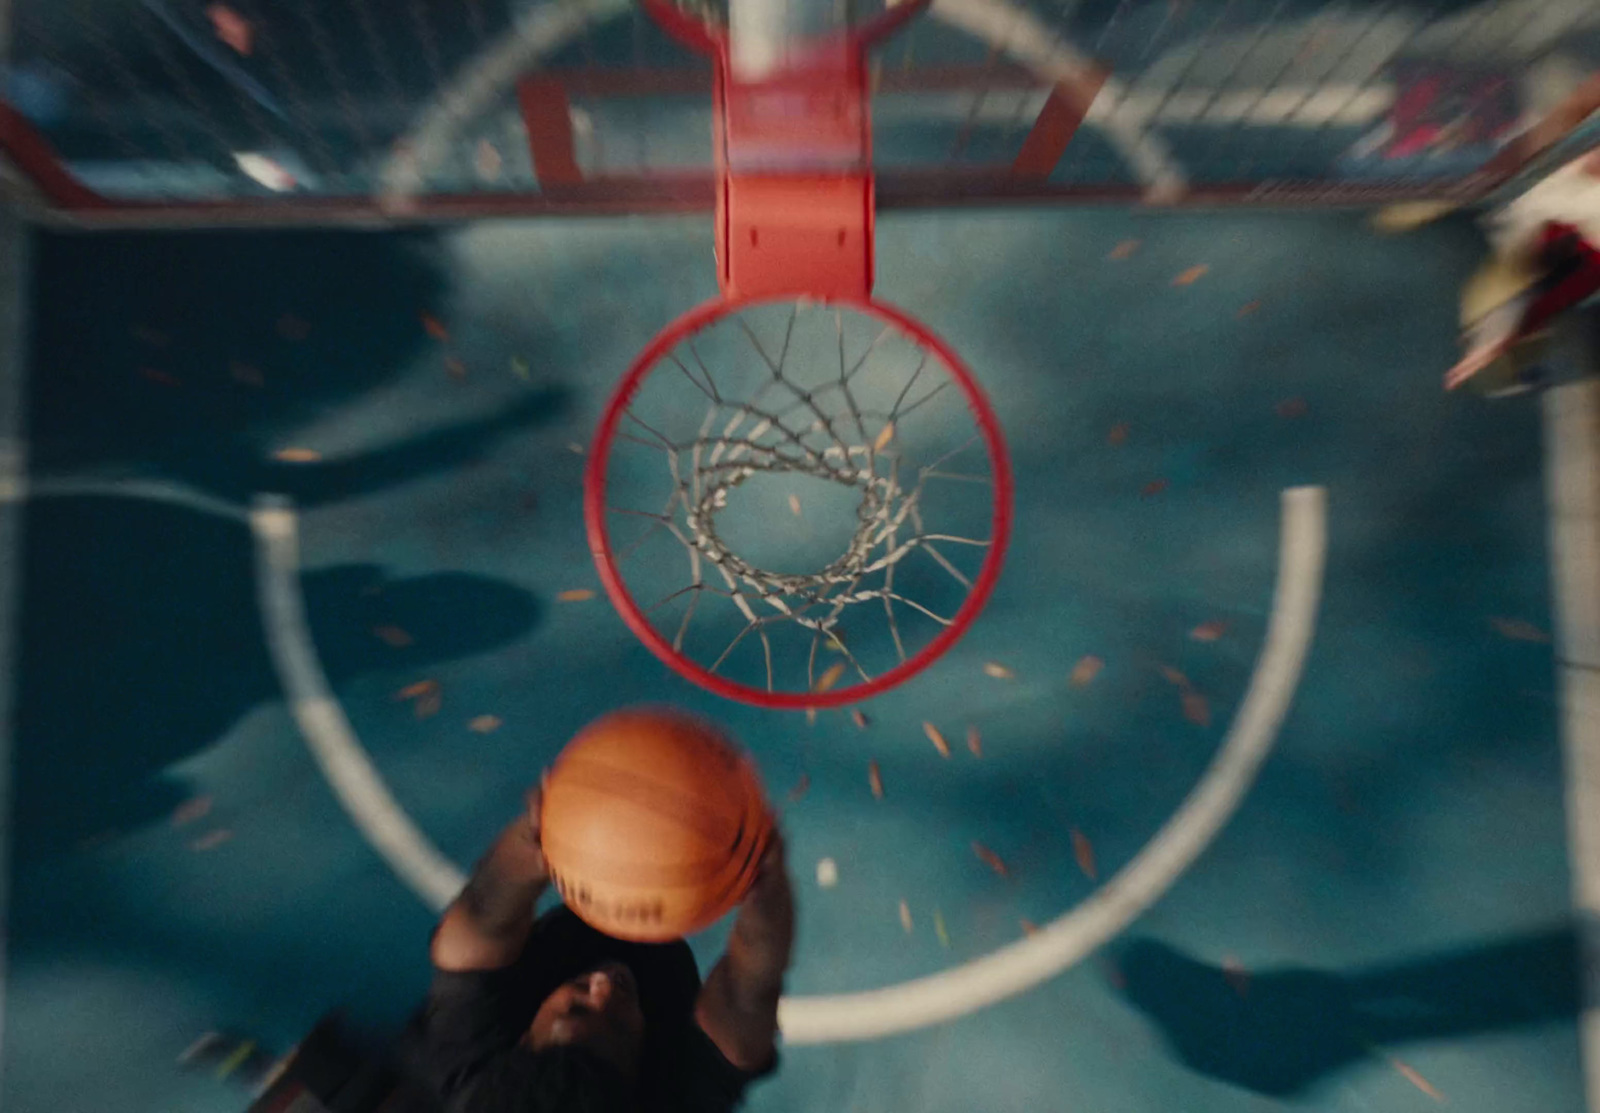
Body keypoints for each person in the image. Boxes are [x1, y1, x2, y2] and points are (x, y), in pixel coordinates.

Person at [414, 784, 794, 1112]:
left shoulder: (475, 1072)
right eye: (618, 1025)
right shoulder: (675, 1099)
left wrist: (540, 839)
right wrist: (762, 886)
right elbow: (748, 994)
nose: (604, 988)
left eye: (577, 1006)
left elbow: (480, 916)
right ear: (636, 1076)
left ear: (523, 1038)